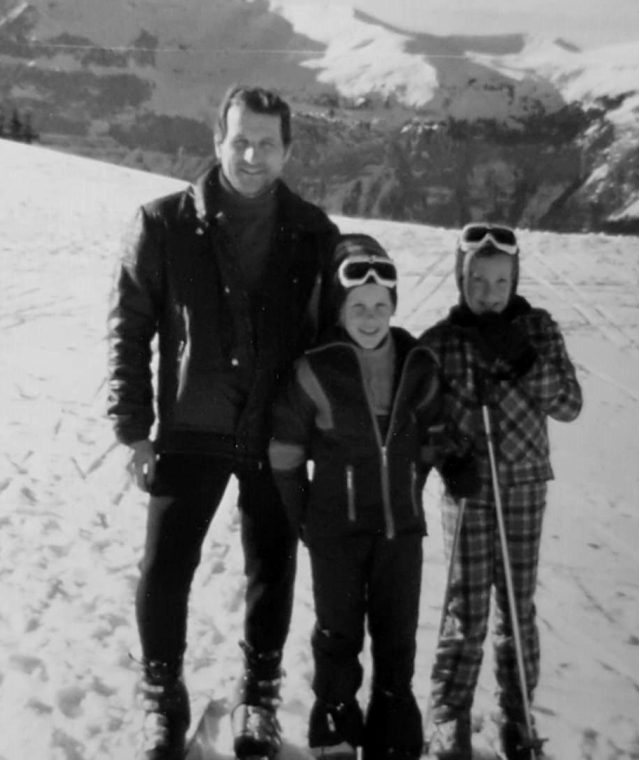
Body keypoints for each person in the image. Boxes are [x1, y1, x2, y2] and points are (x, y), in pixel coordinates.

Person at [106, 84, 339, 760]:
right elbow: (131, 328)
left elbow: (329, 343)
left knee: (272, 566)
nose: (252, 155)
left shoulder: (313, 233)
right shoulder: (165, 224)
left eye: (268, 143)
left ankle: (259, 698)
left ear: (288, 150)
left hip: (278, 430)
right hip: (191, 427)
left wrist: (331, 435)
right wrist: (133, 428)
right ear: (216, 140)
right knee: (164, 565)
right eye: (240, 139)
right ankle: (161, 698)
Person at [268, 234, 441, 760]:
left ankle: (392, 721)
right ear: (340, 310)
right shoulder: (316, 369)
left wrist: (423, 478)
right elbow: (285, 451)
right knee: (338, 631)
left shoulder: (418, 365)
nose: (370, 317)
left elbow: (433, 437)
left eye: (380, 306)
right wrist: (305, 515)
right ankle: (338, 722)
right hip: (335, 531)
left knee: (397, 633)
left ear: (394, 307)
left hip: (400, 533)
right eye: (358, 307)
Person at [418, 223, 582, 760]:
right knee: (466, 608)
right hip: (468, 490)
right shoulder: (441, 342)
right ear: (459, 277)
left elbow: (568, 404)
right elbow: (421, 419)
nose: (489, 293)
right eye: (478, 280)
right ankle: (449, 713)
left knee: (516, 603)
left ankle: (518, 711)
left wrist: (523, 359)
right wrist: (447, 455)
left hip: (523, 483)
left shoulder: (537, 332)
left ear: (515, 280)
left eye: (499, 281)